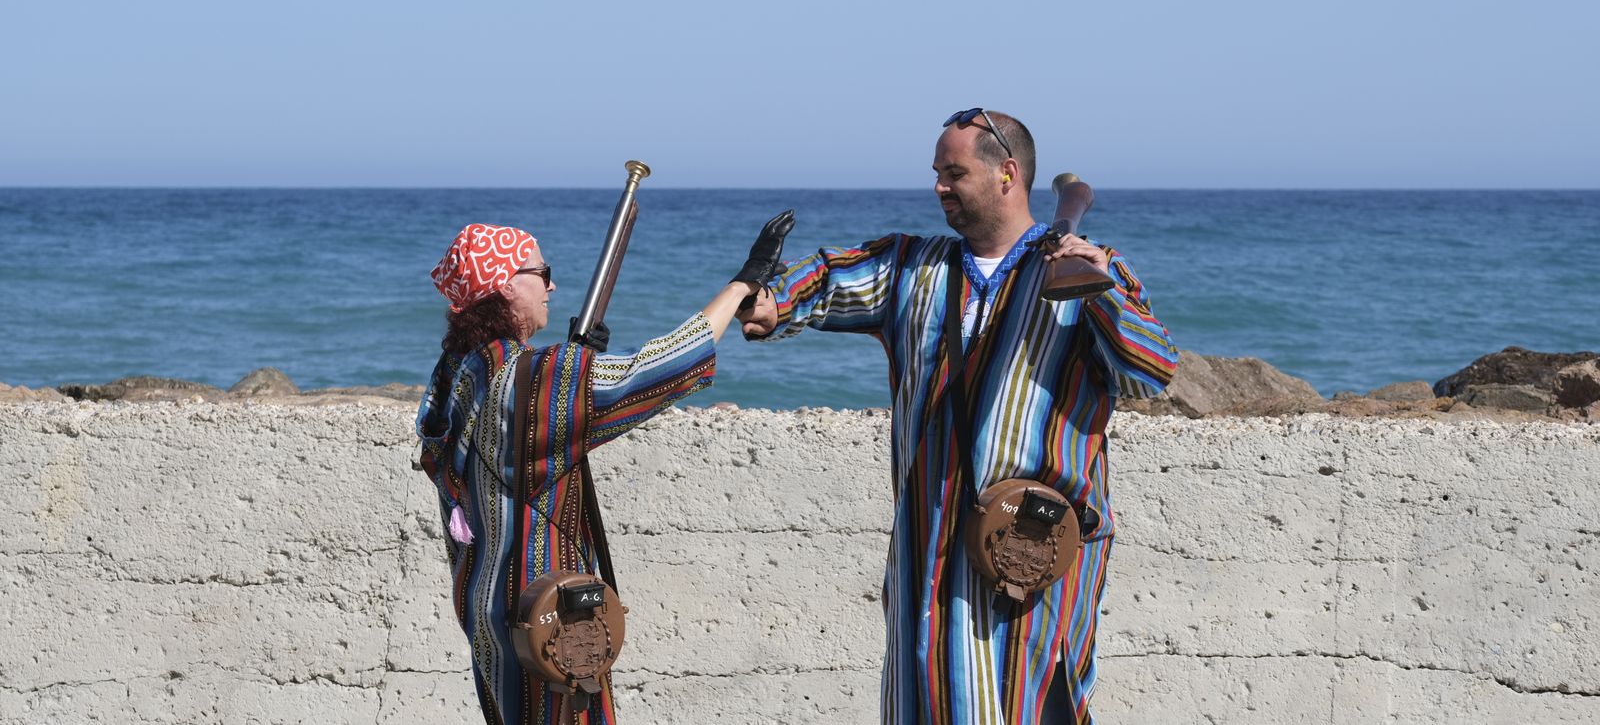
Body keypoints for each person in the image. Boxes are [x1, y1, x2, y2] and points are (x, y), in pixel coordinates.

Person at [737, 109, 1178, 725]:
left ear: (1007, 174)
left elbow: (1151, 371)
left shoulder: (1088, 269)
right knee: (927, 700)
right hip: (928, 551)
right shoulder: (911, 268)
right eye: (938, 173)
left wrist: (1097, 288)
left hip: (1033, 559)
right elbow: (831, 277)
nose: (939, 186)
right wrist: (767, 299)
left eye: (954, 172)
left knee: (1032, 702)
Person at [416, 213, 793, 725]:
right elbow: (660, 368)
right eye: (539, 271)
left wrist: (575, 363)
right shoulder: (530, 379)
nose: (552, 283)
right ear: (504, 285)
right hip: (547, 621)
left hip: (487, 605)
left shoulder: (457, 374)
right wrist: (741, 284)